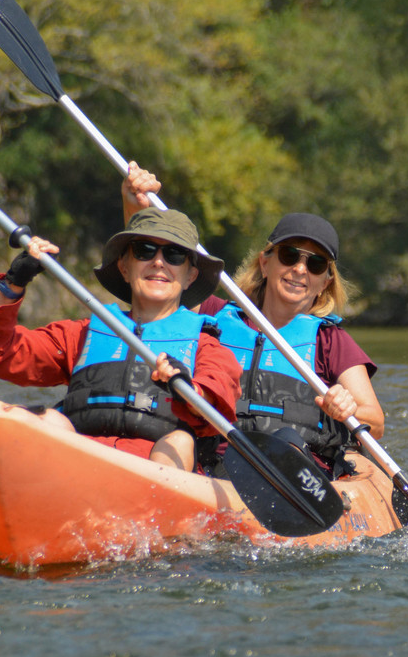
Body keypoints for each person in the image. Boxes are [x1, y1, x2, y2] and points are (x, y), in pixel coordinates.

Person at [122, 162, 384, 477]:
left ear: (325, 281)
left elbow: (376, 423)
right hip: (212, 468)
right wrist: (135, 206)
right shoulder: (213, 315)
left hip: (294, 474)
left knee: (285, 445)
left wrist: (348, 408)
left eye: (315, 264)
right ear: (265, 262)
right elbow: (152, 283)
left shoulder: (330, 341)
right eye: (289, 256)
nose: (300, 270)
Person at [0, 207, 242, 472]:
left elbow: (216, 407)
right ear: (124, 267)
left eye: (174, 255)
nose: (159, 262)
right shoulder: (81, 335)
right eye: (144, 251)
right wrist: (15, 282)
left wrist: (188, 387)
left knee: (179, 442)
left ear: (190, 276)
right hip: (78, 463)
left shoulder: (207, 349)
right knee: (44, 419)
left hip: (158, 474)